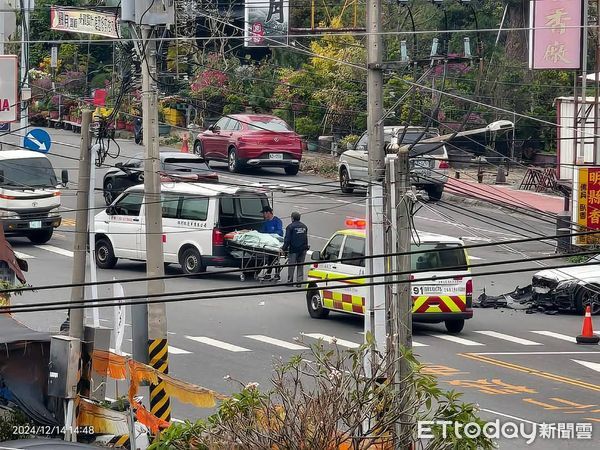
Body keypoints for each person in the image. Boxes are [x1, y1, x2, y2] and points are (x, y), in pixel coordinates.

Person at [282, 211, 309, 285]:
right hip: (303, 249)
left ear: (292, 218)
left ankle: (290, 281)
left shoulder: (290, 227)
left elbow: (287, 240)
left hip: (294, 249)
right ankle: (299, 282)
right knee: (300, 266)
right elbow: (305, 238)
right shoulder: (304, 227)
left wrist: (283, 249)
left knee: (291, 266)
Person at [261, 206, 283, 280]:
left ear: (268, 213)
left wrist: (272, 236)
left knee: (275, 258)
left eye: (264, 213)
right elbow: (262, 233)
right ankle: (268, 273)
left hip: (276, 243)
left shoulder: (277, 221)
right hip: (268, 244)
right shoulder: (266, 222)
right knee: (270, 258)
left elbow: (279, 232)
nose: (263, 215)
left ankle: (276, 274)